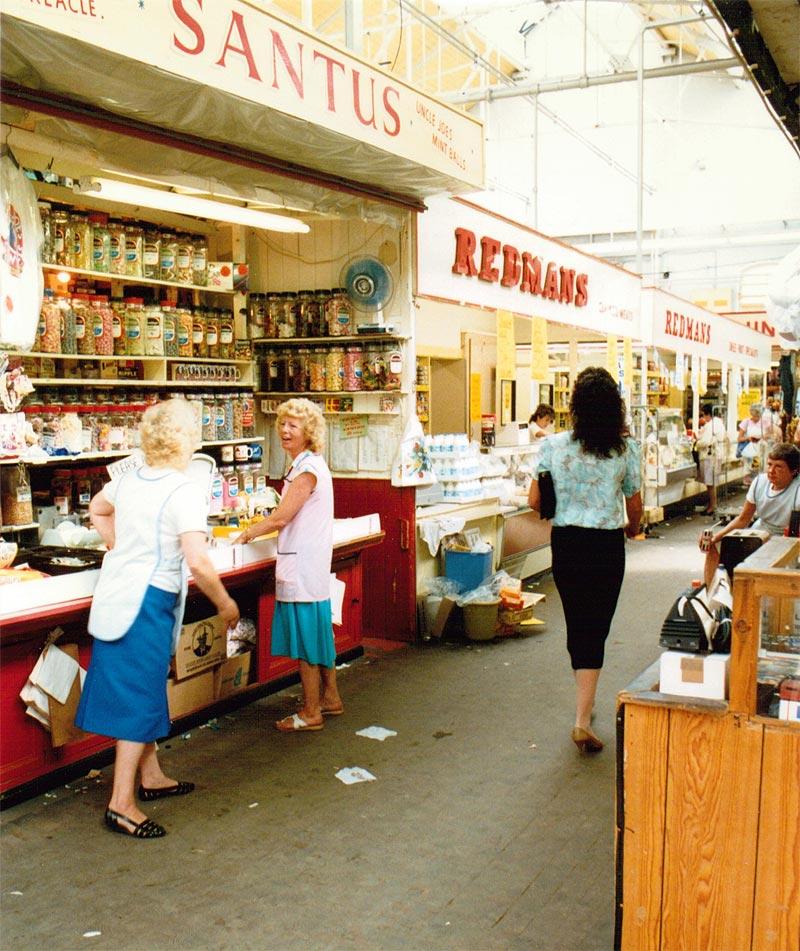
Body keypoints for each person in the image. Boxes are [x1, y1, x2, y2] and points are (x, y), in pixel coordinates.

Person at [76, 399, 240, 839]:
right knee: (139, 697)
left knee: (142, 689)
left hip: (116, 598)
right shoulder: (182, 488)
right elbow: (199, 563)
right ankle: (121, 804)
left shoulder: (129, 479)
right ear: (187, 441)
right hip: (147, 603)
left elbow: (96, 509)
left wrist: (120, 549)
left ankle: (149, 777)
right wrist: (226, 605)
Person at [528, 367, 642, 754]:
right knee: (597, 627)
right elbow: (634, 502)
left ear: (574, 404)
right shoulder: (626, 448)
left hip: (567, 543)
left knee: (578, 624)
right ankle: (581, 719)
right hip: (606, 546)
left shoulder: (553, 446)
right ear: (615, 407)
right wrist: (634, 528)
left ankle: (585, 705)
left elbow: (533, 501)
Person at [237, 398, 340, 733]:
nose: (284, 430)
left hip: (304, 565)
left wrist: (248, 533)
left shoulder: (307, 470)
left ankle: (311, 712)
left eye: (292, 425)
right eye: (282, 423)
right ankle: (331, 698)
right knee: (320, 633)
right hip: (311, 563)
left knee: (307, 640)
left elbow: (282, 517)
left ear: (307, 432)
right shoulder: (308, 465)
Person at [700, 443, 800, 579]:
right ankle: (714, 592)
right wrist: (716, 538)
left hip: (788, 536)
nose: (771, 470)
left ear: (793, 471)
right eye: (770, 465)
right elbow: (743, 519)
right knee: (719, 545)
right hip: (761, 531)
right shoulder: (760, 482)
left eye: (779, 467)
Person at [695, 403, 726, 515]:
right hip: (716, 455)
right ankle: (712, 504)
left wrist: (697, 442)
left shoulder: (710, 425)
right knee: (712, 482)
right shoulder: (719, 424)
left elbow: (706, 441)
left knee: (710, 483)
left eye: (703, 415)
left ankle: (712, 506)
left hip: (710, 456)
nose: (703, 418)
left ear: (707, 414)